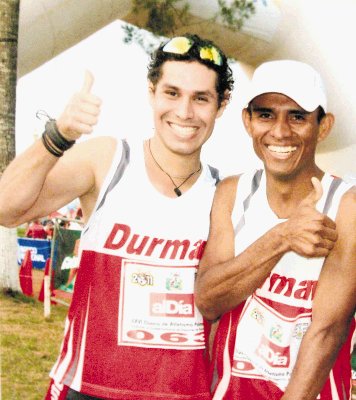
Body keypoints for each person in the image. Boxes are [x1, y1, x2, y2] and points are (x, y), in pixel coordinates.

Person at [0, 34, 233, 399]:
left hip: (183, 393)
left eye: (200, 98)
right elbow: (5, 208)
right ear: (152, 92)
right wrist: (58, 135)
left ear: (221, 105)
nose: (185, 112)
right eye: (172, 93)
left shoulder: (226, 194)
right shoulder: (109, 160)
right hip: (90, 388)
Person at [195, 60, 356, 399]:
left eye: (297, 116)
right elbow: (209, 301)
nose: (280, 132)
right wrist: (282, 236)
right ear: (248, 121)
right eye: (266, 114)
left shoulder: (346, 206)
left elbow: (327, 331)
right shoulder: (232, 192)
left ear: (322, 126)